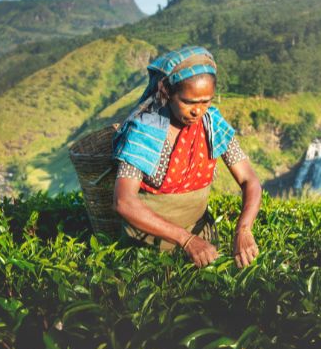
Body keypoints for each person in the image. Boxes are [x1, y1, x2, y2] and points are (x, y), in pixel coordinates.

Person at [112, 46, 261, 268]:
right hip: (146, 248)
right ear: (167, 93)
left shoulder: (212, 124)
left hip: (202, 245)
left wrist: (244, 230)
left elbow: (250, 180)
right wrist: (186, 239)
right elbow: (124, 202)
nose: (197, 111)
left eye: (206, 101)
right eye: (189, 102)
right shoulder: (144, 131)